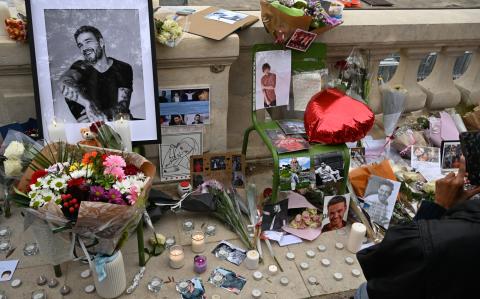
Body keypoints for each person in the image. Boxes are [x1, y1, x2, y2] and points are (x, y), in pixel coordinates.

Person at [355, 158, 480, 299]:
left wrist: (439, 206)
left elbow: (378, 262)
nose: (463, 158)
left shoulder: (437, 238)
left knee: (363, 289)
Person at [59, 25, 133, 122]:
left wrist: (96, 115)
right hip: (89, 131)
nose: (84, 48)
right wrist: (88, 104)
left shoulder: (122, 68)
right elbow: (63, 82)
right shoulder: (80, 67)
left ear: (101, 42)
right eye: (80, 45)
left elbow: (122, 107)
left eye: (88, 42)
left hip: (119, 125)